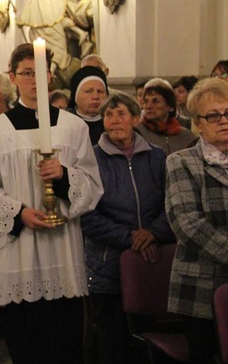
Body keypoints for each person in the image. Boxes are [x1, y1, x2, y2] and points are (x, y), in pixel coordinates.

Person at [0, 42, 103, 364]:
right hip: (21, 252)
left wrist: (63, 176)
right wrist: (18, 214)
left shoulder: (74, 127)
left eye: (39, 73)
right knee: (25, 342)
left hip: (63, 250)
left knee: (65, 342)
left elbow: (94, 186)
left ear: (50, 76)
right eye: (26, 73)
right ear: (13, 78)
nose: (33, 80)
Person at [81, 92, 174, 363]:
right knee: (111, 340)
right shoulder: (92, 159)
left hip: (151, 261)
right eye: (108, 114)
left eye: (121, 113)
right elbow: (87, 214)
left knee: (147, 338)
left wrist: (154, 234)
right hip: (108, 263)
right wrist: (132, 237)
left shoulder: (157, 158)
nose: (114, 120)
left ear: (136, 118)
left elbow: (171, 205)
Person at [165, 78, 228, 363]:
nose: (223, 120)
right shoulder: (181, 162)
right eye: (213, 116)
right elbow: (188, 225)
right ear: (198, 123)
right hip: (202, 288)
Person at [138, 78, 195, 155]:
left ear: (170, 106)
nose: (148, 106)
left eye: (155, 101)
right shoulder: (138, 133)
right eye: (146, 101)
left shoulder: (186, 136)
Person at [68, 65, 109, 144]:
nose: (95, 96)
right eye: (88, 91)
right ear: (76, 96)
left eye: (100, 91)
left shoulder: (115, 124)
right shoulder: (65, 124)